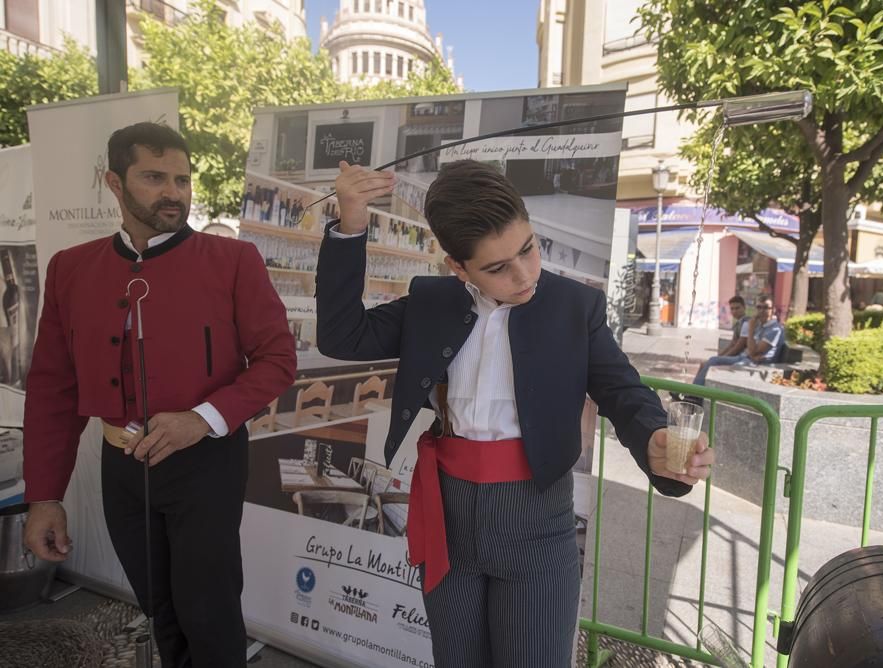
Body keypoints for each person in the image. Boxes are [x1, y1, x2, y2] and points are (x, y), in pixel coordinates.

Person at [316, 159, 714, 667]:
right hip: (450, 517)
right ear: (457, 267)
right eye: (498, 268)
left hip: (538, 520)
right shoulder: (430, 301)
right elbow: (341, 335)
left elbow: (622, 390)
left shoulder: (574, 307)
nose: (524, 274)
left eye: (528, 249)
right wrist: (350, 223)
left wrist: (655, 438)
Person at [21, 122, 296, 668]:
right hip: (121, 466)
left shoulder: (233, 262)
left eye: (182, 179)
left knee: (209, 613)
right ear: (115, 183)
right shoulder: (71, 270)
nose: (174, 192)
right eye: (154, 177)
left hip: (206, 462)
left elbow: (277, 361)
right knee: (158, 609)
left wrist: (201, 419)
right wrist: (44, 497)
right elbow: (53, 386)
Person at [691, 296, 785, 386]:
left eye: (766, 308)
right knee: (713, 360)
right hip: (746, 358)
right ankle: (693, 393)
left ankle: (695, 395)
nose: (761, 311)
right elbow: (749, 348)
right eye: (759, 307)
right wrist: (752, 352)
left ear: (773, 310)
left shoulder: (774, 329)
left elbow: (749, 349)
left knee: (721, 367)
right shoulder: (761, 325)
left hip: (755, 364)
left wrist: (751, 329)